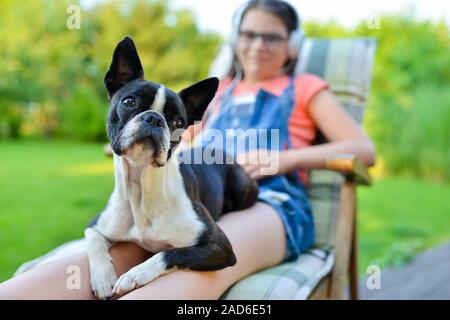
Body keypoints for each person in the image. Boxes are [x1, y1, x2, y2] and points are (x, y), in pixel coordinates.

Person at [0, 0, 375, 299]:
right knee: (98, 266)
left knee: (207, 264)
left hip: (268, 199)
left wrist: (284, 159)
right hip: (184, 192)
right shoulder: (220, 91)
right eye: (248, 34)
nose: (257, 45)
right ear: (236, 38)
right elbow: (180, 146)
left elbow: (364, 149)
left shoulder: (305, 87)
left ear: (292, 45)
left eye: (271, 37)